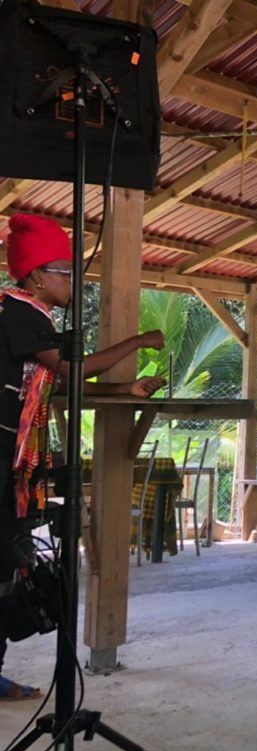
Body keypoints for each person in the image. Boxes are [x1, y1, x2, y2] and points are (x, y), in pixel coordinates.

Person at [0, 213, 165, 700]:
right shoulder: (17, 312)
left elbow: (57, 383)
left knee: (8, 563)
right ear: (36, 276)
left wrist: (125, 390)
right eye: (64, 272)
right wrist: (137, 342)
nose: (73, 281)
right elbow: (73, 369)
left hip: (12, 460)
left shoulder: (30, 316)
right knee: (4, 564)